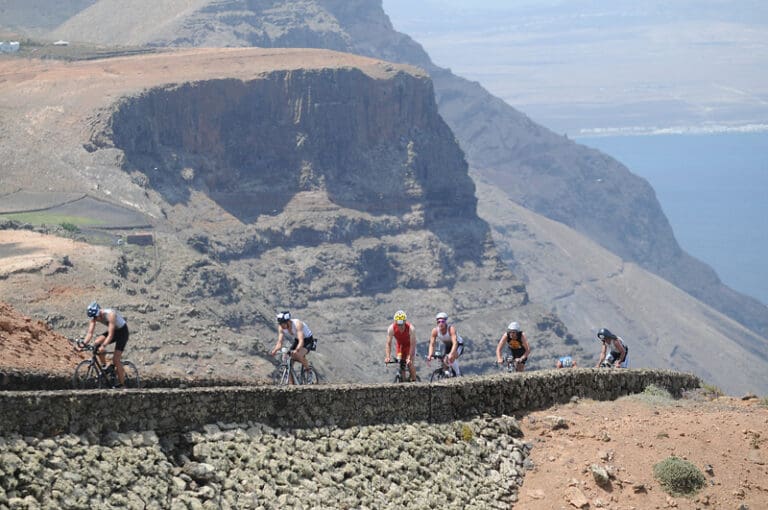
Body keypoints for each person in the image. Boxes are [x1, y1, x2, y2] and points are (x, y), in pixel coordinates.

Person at [79, 301, 129, 387]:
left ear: (99, 313)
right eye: (92, 317)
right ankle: (105, 367)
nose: (94, 319)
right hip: (114, 331)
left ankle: (122, 385)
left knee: (116, 360)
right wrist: (82, 345)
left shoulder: (110, 314)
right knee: (96, 343)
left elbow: (110, 335)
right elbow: (90, 333)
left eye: (95, 317)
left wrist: (104, 346)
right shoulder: (95, 317)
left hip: (122, 332)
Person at [270, 311, 316, 383]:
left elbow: (301, 341)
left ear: (288, 321)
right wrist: (275, 350)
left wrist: (297, 350)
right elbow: (280, 342)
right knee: (288, 362)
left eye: (282, 323)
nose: (281, 326)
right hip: (297, 340)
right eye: (280, 324)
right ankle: (292, 385)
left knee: (298, 355)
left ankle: (308, 370)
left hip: (307, 341)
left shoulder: (297, 324)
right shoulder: (281, 327)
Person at [427, 312, 464, 376]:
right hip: (448, 345)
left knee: (451, 358)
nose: (440, 323)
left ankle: (458, 374)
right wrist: (430, 355)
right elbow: (432, 344)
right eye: (438, 321)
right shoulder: (435, 331)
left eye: (442, 321)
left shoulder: (451, 329)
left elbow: (455, 343)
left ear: (446, 322)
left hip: (458, 345)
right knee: (443, 360)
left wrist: (451, 354)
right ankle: (447, 375)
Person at [385, 310, 418, 382]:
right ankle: (403, 382)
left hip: (410, 346)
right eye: (398, 325)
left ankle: (415, 382)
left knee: (410, 364)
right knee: (401, 363)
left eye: (402, 324)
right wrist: (388, 357)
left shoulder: (411, 328)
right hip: (400, 346)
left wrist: (409, 358)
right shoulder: (391, 328)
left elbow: (413, 344)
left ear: (405, 322)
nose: (400, 327)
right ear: (395, 322)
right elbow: (388, 343)